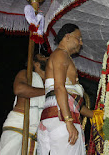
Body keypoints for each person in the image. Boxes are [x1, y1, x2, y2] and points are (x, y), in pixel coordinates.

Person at [37, 23, 93, 155]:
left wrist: (95, 115)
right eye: (78, 38)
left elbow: (71, 97)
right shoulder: (61, 55)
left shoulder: (64, 56)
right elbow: (59, 88)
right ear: (67, 37)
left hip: (58, 116)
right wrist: (68, 121)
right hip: (61, 118)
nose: (81, 42)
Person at [0, 53, 48, 155]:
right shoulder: (25, 74)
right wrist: (47, 91)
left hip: (37, 134)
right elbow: (19, 89)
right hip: (18, 126)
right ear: (35, 63)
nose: (47, 58)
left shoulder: (50, 84)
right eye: (43, 56)